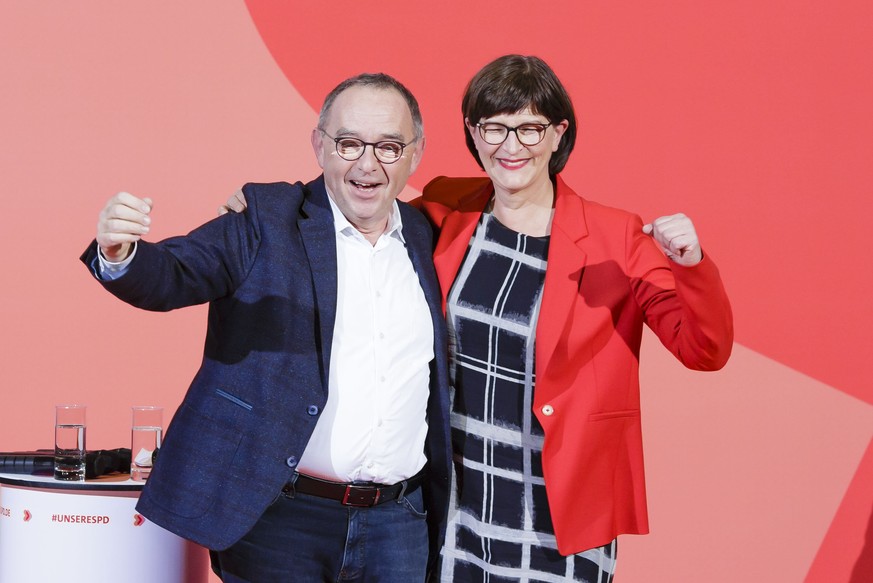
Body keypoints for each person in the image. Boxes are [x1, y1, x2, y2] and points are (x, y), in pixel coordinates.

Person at [224, 55, 734, 582]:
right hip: (459, 502)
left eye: (531, 128)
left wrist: (691, 266)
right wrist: (270, 205)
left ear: (559, 133)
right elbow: (356, 192)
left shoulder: (616, 237)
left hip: (561, 505)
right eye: (495, 128)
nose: (512, 147)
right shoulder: (449, 207)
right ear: (473, 132)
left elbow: (704, 349)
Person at [81, 73, 452, 582]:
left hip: (399, 525)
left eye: (389, 146)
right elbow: (174, 274)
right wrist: (121, 253)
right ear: (319, 145)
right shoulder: (265, 219)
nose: (368, 164)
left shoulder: (432, 236)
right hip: (282, 522)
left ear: (416, 153)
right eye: (348, 143)